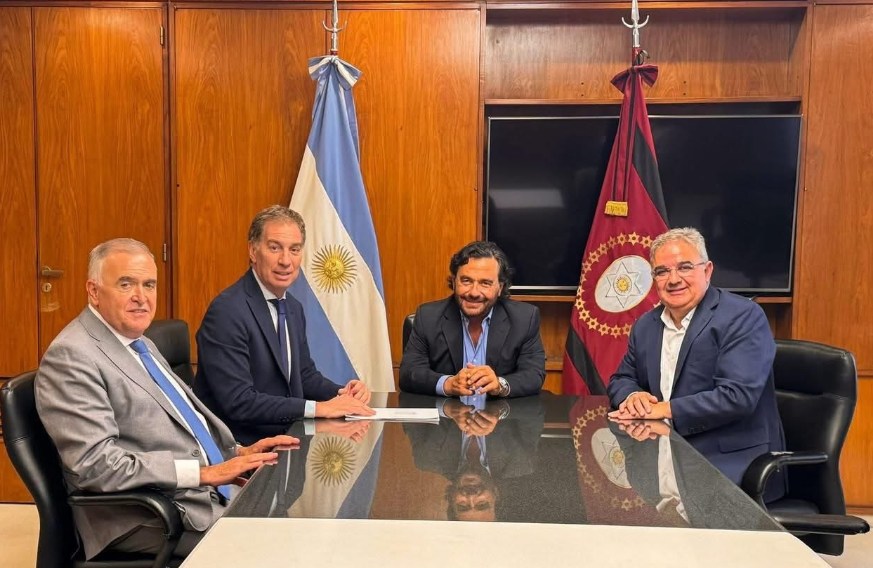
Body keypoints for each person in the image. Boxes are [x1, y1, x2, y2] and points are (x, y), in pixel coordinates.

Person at [35, 238, 297, 560]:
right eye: (126, 284)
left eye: (149, 285)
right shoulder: (72, 356)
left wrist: (236, 452)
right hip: (143, 515)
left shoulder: (139, 342)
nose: (141, 297)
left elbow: (175, 427)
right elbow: (96, 465)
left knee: (298, 524)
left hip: (191, 494)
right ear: (94, 291)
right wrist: (203, 473)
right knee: (273, 549)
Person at [606, 227, 785, 500]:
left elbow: (737, 396)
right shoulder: (646, 325)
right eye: (662, 271)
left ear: (707, 270)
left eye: (685, 267)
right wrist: (634, 397)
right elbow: (621, 379)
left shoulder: (742, 316)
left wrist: (662, 409)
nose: (673, 279)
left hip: (728, 467)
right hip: (659, 457)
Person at [194, 205, 373, 442]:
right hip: (243, 448)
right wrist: (319, 409)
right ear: (253, 251)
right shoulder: (227, 312)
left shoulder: (292, 307)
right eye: (275, 248)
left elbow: (304, 376)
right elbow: (239, 401)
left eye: (294, 249)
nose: (286, 261)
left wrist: (343, 394)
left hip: (288, 441)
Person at [399, 241, 546, 397]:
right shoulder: (428, 317)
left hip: (500, 412)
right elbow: (409, 373)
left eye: (485, 283)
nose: (474, 293)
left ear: (500, 288)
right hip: (447, 411)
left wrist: (499, 384)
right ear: (454, 282)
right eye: (466, 281)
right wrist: (447, 384)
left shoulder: (524, 318)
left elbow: (533, 374)